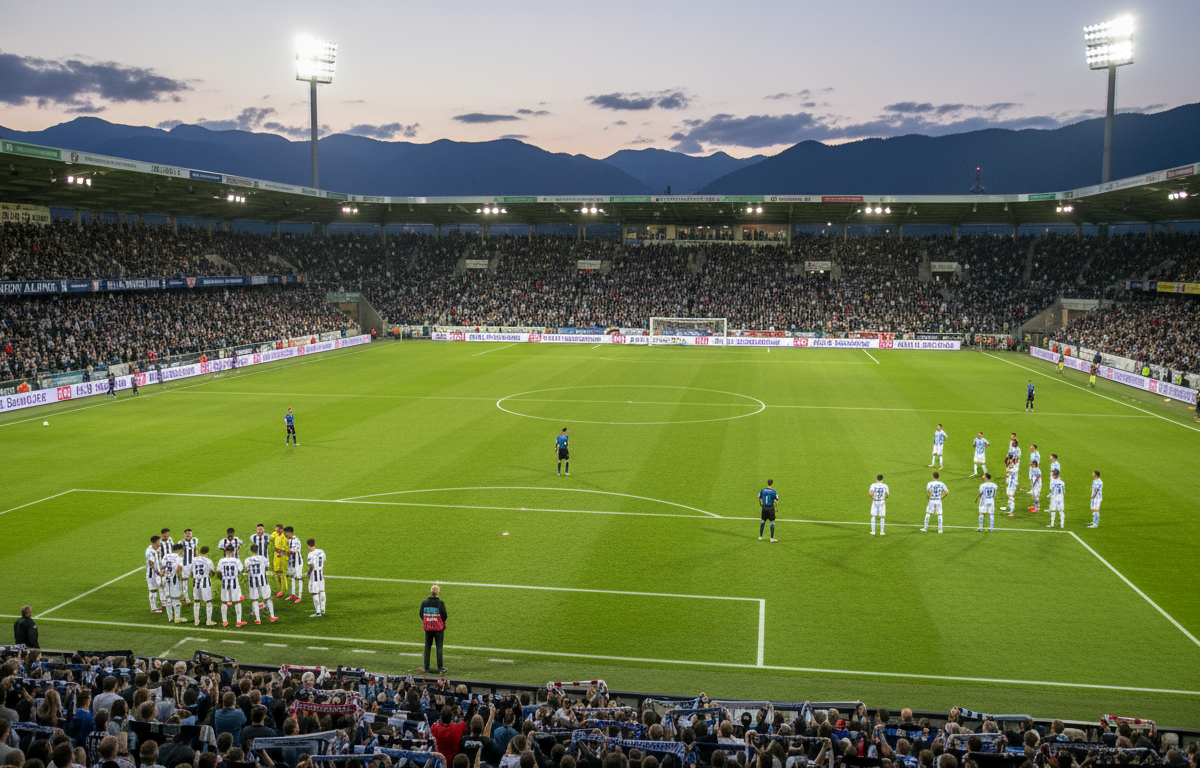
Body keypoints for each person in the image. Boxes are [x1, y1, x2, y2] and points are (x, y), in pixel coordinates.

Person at [243, 545, 276, 625]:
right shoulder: (263, 558)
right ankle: (272, 616)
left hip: (253, 582)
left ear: (251, 551)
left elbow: (247, 569)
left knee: (255, 599)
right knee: (267, 598)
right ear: (258, 550)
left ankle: (258, 619)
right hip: (263, 581)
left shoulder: (247, 560)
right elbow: (266, 568)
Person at [421, 585, 448, 673]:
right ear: (438, 592)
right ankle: (440, 668)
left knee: (427, 647)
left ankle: (426, 667)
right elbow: (444, 615)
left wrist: (428, 621)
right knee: (439, 647)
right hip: (438, 629)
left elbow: (421, 614)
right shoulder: (440, 603)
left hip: (428, 628)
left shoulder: (424, 602)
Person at [217, 548, 246, 627]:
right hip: (234, 583)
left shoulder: (221, 561)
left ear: (226, 552)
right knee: (237, 601)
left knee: (224, 602)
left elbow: (219, 571)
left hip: (225, 583)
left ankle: (224, 621)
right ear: (233, 552)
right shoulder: (236, 561)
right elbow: (240, 570)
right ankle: (238, 622)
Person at [190, 546, 217, 626]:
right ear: (207, 552)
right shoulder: (208, 561)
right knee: (208, 601)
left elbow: (191, 570)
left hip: (196, 582)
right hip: (205, 582)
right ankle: (208, 621)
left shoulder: (193, 560)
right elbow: (211, 570)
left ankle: (196, 620)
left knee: (196, 601)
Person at [161, 544, 185, 624]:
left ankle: (170, 617)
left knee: (168, 598)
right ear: (180, 550)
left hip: (165, 579)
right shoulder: (179, 558)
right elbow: (178, 569)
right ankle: (177, 618)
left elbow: (162, 568)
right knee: (176, 598)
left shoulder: (165, 556)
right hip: (174, 579)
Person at [305, 539, 326, 618]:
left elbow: (311, 566)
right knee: (322, 591)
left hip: (314, 577)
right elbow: (324, 560)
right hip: (321, 576)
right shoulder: (321, 552)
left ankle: (318, 612)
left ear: (308, 546)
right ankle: (323, 607)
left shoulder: (310, 555)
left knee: (315, 593)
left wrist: (308, 574)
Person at [284, 527, 304, 604]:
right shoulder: (288, 540)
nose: (285, 535)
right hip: (291, 562)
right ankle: (293, 594)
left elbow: (293, 552)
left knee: (298, 578)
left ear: (290, 533)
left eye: (286, 533)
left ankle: (299, 596)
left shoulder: (296, 540)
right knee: (292, 577)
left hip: (297, 562)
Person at [145, 535, 164, 614]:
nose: (159, 543)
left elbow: (159, 560)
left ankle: (163, 603)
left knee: (162, 586)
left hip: (159, 573)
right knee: (153, 591)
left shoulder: (158, 548)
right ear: (154, 543)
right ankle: (153, 608)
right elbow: (151, 564)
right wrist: (158, 573)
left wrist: (162, 570)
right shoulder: (150, 551)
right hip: (152, 574)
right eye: (158, 542)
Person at [270, 524, 289, 600]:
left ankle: (284, 589)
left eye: (277, 529)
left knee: (283, 573)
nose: (276, 530)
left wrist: (282, 553)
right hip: (276, 555)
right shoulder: (275, 534)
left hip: (283, 556)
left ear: (281, 529)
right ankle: (281, 586)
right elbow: (270, 538)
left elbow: (286, 548)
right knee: (276, 571)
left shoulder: (284, 537)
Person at [179, 529, 197, 605]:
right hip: (185, 564)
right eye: (186, 534)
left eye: (189, 534)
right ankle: (186, 599)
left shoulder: (195, 540)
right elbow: (179, 553)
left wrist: (197, 559)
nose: (188, 535)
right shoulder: (181, 542)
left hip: (193, 563)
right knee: (185, 581)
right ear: (184, 534)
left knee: (195, 579)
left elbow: (196, 550)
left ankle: (196, 597)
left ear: (191, 534)